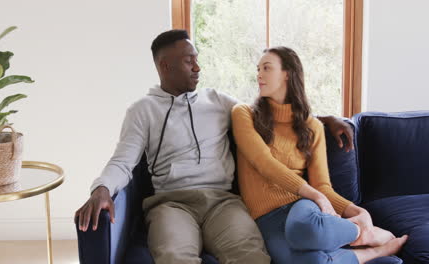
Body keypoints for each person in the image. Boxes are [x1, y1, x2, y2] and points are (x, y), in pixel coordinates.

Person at [75, 30, 354, 263]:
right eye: (188, 61)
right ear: (165, 66)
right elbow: (123, 161)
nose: (198, 68)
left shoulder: (218, 101)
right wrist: (101, 189)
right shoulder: (142, 110)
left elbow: (269, 114)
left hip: (223, 203)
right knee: (174, 256)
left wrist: (324, 119)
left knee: (251, 257)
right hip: (172, 203)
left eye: (197, 60)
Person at [231, 46, 408, 264]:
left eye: (266, 68)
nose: (259, 74)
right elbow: (263, 162)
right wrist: (317, 196)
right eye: (258, 68)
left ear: (288, 74)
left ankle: (362, 230)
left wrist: (357, 210)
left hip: (301, 209)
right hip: (266, 219)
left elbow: (322, 186)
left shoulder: (312, 126)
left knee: (303, 228)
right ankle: (371, 248)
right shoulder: (243, 113)